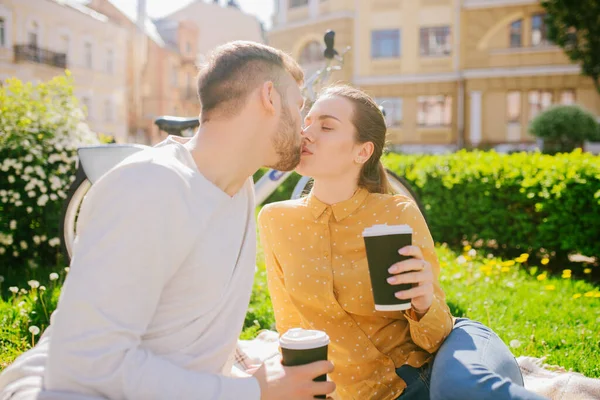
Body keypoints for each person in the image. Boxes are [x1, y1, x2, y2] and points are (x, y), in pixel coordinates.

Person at [0, 41, 335, 400]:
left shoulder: (238, 189)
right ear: (269, 96)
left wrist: (248, 371)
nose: (304, 128)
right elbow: (86, 364)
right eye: (300, 108)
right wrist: (250, 392)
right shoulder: (150, 187)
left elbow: (189, 326)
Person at [258, 85, 548, 400]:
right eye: (308, 122)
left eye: (326, 126)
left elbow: (437, 335)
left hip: (428, 372)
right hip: (352, 393)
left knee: (460, 389)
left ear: (362, 151)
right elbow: (291, 330)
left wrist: (424, 303)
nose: (307, 133)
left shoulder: (395, 213)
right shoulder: (275, 220)